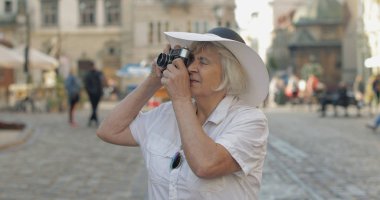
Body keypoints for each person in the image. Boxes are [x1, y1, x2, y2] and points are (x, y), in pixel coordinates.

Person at [96, 27, 269, 199]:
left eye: (203, 61)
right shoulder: (167, 113)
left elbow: (205, 165)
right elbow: (109, 131)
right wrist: (154, 80)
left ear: (228, 73)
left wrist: (181, 98)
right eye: (191, 60)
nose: (191, 68)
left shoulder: (250, 121)